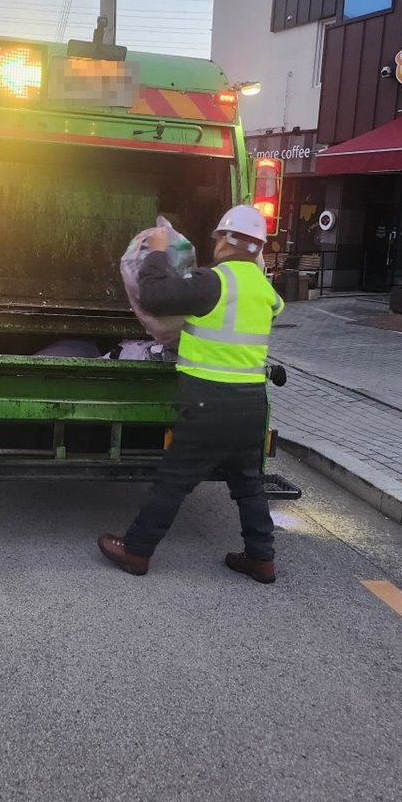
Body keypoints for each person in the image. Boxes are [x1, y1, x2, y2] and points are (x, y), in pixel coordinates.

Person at [98, 205, 284, 583]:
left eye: (217, 238)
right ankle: (261, 559)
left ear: (229, 241)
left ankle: (136, 551)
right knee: (248, 484)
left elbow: (154, 296)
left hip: (210, 402)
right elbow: (268, 311)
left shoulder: (214, 282)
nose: (214, 244)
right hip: (250, 402)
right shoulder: (266, 292)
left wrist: (158, 250)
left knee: (173, 481)